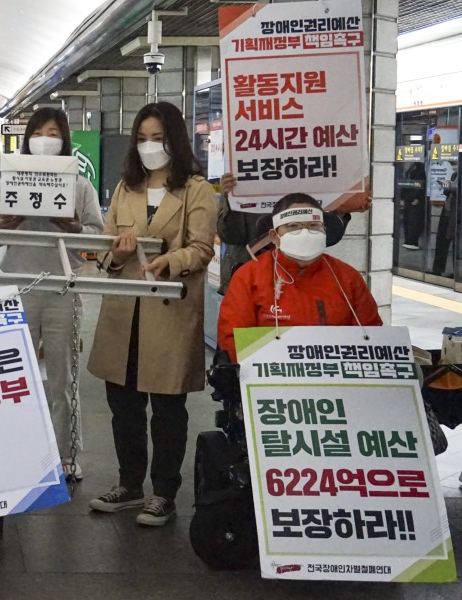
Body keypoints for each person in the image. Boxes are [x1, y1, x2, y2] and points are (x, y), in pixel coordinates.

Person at [86, 101, 217, 526]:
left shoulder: (196, 189)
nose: (148, 146)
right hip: (124, 310)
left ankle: (164, 492)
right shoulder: (127, 187)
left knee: (167, 408)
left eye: (157, 138)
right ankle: (128, 483)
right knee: (121, 403)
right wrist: (115, 252)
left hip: (169, 310)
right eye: (142, 138)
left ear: (174, 139)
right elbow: (108, 243)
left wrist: (169, 261)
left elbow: (202, 248)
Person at [0, 107, 103, 480]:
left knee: (62, 376)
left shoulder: (80, 185)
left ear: (64, 139)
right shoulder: (9, 182)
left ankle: (66, 453)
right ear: (27, 139)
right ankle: (12, 449)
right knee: (12, 375)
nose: (45, 138)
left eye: (53, 132)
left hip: (60, 288)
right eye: (38, 131)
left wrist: (71, 228)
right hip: (17, 286)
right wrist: (3, 223)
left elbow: (96, 237)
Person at [217, 192, 382, 362]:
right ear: (275, 236)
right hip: (269, 380)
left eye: (313, 225)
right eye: (293, 226)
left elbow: (372, 336)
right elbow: (233, 341)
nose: (305, 233)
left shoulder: (348, 278)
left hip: (337, 381)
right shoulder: (249, 277)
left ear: (324, 231)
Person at [217, 173, 353, 294]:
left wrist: (345, 206)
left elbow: (330, 234)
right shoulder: (241, 176)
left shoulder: (312, 174)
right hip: (252, 281)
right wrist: (231, 200)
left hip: (306, 278)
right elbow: (230, 235)